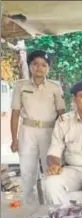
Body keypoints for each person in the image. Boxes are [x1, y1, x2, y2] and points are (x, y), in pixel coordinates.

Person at [10, 50, 65, 203]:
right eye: (35, 64)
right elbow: (15, 113)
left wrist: (62, 139)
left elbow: (62, 114)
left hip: (49, 132)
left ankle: (51, 209)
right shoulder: (20, 86)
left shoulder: (55, 87)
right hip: (27, 132)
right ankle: (29, 210)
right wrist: (14, 139)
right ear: (30, 66)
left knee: (51, 171)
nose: (39, 68)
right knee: (28, 173)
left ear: (48, 68)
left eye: (43, 65)